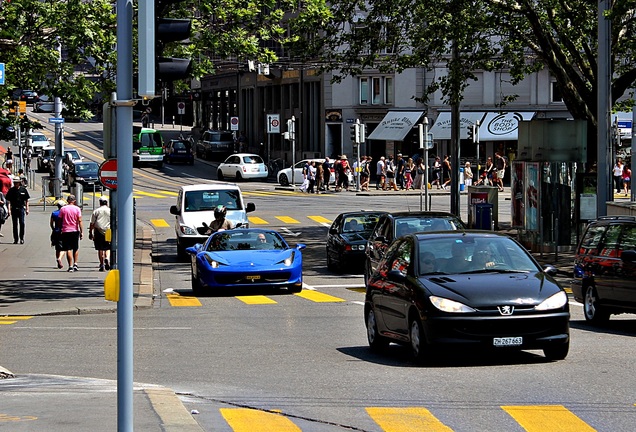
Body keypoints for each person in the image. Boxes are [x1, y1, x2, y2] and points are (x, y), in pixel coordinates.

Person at [59, 194, 84, 272]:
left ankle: (70, 266)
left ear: (67, 200)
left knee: (68, 249)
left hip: (66, 230)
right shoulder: (77, 209)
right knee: (75, 248)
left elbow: (60, 220)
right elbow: (79, 220)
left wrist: (60, 229)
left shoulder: (63, 209)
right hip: (75, 230)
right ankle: (75, 264)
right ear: (74, 201)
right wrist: (81, 231)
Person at [6, 175, 30, 244]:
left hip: (21, 208)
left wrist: (27, 209)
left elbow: (27, 200)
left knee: (22, 223)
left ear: (19, 183)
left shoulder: (23, 190)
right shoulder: (11, 190)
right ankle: (16, 239)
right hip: (14, 208)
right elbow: (9, 201)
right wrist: (9, 210)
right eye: (15, 183)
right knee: (15, 224)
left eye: (17, 182)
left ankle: (21, 238)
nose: (16, 184)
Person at [89, 197, 111, 271]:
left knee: (100, 248)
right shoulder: (110, 210)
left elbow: (92, 223)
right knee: (108, 247)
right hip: (108, 231)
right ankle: (107, 258)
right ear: (107, 202)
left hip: (98, 231)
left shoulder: (96, 211)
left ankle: (102, 264)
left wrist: (90, 232)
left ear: (100, 202)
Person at [50, 199, 67, 269]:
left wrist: (53, 229)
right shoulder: (65, 213)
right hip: (64, 231)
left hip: (56, 231)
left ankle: (58, 260)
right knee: (65, 248)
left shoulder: (54, 213)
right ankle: (59, 258)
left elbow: (51, 223)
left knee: (57, 248)